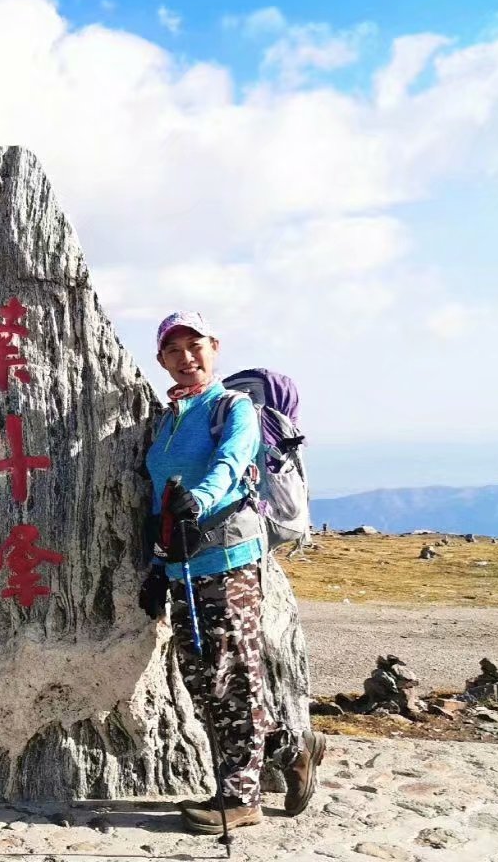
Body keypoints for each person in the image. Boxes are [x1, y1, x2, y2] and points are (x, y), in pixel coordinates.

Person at [138, 310, 325, 836]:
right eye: (173, 351)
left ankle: (241, 797)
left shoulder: (232, 407)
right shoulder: (168, 417)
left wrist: (198, 501)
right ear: (161, 360)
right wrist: (158, 564)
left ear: (213, 347)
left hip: (229, 555)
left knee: (232, 672)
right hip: (182, 561)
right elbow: (160, 498)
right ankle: (291, 748)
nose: (185, 357)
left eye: (194, 345)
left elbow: (231, 461)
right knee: (201, 675)